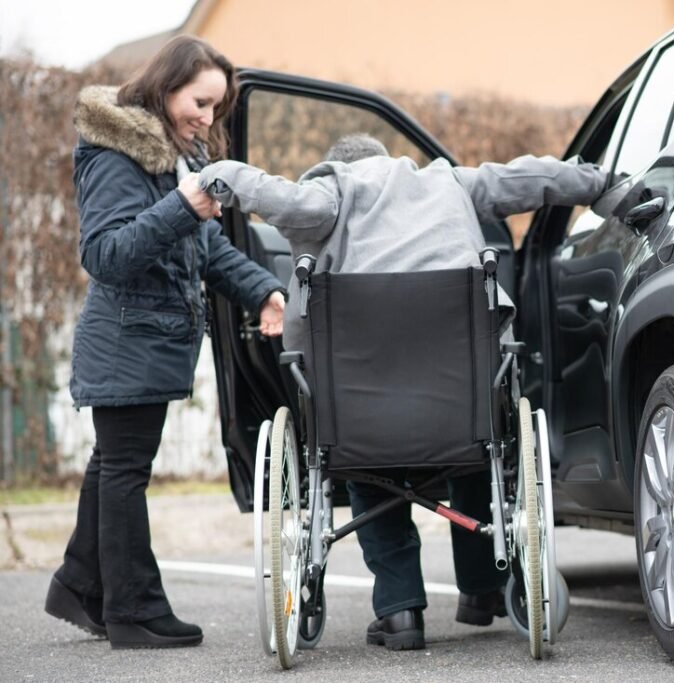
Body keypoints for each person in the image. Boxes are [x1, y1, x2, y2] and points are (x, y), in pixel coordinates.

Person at [197, 133, 607, 650]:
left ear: (334, 167)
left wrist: (220, 174)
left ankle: (399, 611)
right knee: (478, 453)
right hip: (459, 404)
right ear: (390, 162)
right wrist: (603, 185)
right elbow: (533, 178)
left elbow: (274, 196)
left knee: (367, 466)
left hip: (359, 411)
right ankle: (481, 590)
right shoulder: (447, 181)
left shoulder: (329, 193)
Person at [44, 36, 286, 649]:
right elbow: (106, 255)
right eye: (199, 102)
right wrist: (181, 206)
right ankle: (133, 610)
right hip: (128, 336)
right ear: (166, 86)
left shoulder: (175, 158)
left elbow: (207, 250)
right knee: (125, 470)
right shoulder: (115, 153)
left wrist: (263, 291)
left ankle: (80, 584)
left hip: (146, 337)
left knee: (113, 465)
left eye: (215, 109)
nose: (207, 118)